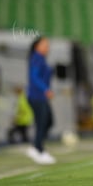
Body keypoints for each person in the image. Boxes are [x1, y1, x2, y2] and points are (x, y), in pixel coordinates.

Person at [26, 36, 56, 165]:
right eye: (44, 44)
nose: (47, 47)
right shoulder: (37, 58)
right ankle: (37, 149)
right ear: (37, 46)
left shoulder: (41, 59)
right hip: (36, 96)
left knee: (48, 121)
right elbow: (34, 77)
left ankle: (37, 147)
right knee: (42, 122)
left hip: (41, 96)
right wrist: (45, 89)